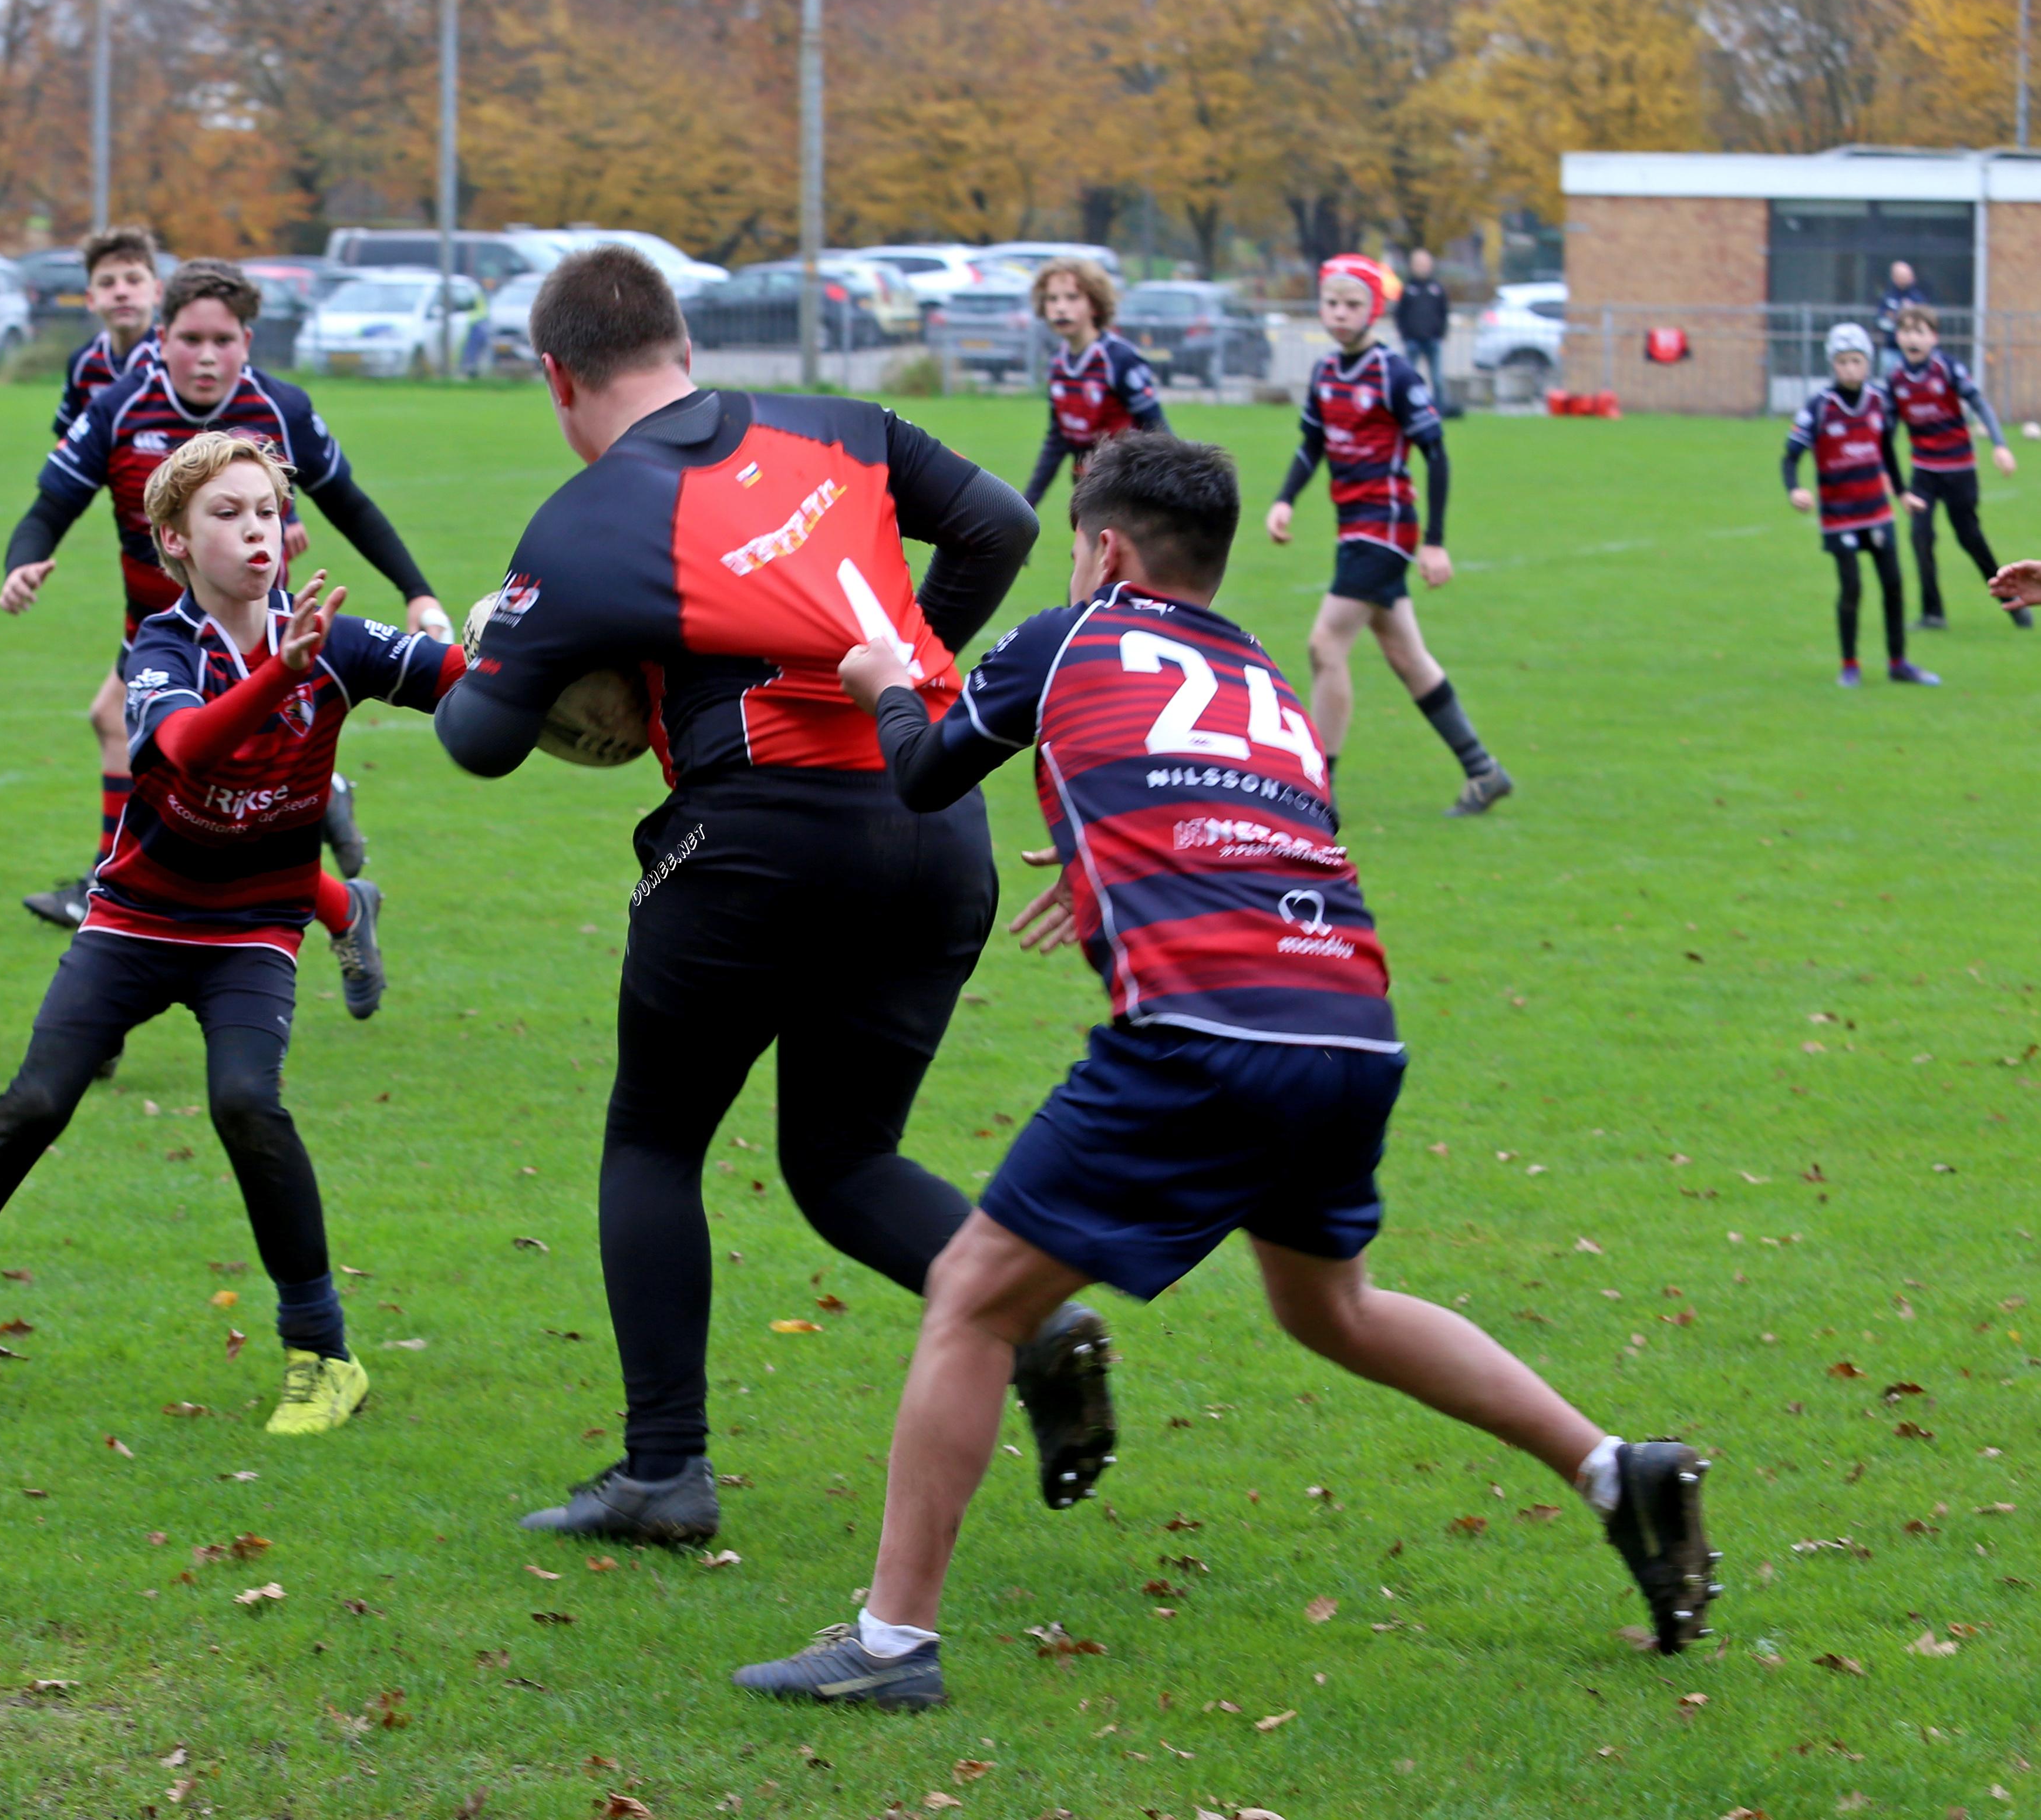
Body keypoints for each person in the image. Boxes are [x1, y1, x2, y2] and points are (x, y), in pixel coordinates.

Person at [730, 433, 1719, 1710]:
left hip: (1207, 1033)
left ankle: (887, 1649)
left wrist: (881, 677)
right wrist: (1100, 864)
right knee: (1331, 1306)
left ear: (1107, 549)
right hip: (1350, 1025)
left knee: (973, 1297)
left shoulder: (1069, 636)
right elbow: (1250, 819)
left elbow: (923, 775)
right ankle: (1613, 1469)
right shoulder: (1265, 673)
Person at [437, 245, 1118, 1542]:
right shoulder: (837, 422)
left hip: (756, 839)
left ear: (556, 379)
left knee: (655, 1137)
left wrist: (504, 654)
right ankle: (1035, 1317)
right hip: (932, 823)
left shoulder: (588, 518)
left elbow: (477, 736)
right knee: (842, 1155)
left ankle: (664, 1473)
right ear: (683, 347)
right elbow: (1005, 524)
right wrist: (900, 675)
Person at [0, 434, 466, 1433]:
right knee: (33, 1103)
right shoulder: (164, 645)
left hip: (249, 927)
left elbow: (469, 684)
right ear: (174, 539)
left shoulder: (332, 638)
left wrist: (548, 657)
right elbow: (182, 745)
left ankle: (324, 1353)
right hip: (137, 918)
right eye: (226, 515)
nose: (256, 532)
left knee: (247, 1101)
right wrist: (275, 679)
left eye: (266, 513)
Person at [3, 259, 449, 976]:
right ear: (161, 338)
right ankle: (335, 893)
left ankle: (102, 963)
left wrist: (416, 592)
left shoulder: (280, 409)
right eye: (189, 338)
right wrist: (23, 562)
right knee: (186, 799)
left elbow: (352, 505)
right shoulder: (121, 405)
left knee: (198, 812)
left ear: (247, 340)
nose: (206, 356)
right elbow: (52, 504)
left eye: (223, 339)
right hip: (156, 639)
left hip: (256, 650)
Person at [1267, 254, 1510, 815]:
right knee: (1405, 654)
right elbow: (1312, 446)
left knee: (1324, 644)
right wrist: (1284, 500)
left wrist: (1435, 539)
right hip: (1354, 529)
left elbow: (1436, 452)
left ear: (1374, 310)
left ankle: (1316, 795)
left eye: (1353, 304)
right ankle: (1483, 770)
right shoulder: (1327, 373)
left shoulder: (1394, 374)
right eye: (1332, 303)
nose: (1341, 313)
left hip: (1388, 526)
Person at [1786, 322, 1936, 687]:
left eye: (1856, 361)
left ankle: (1899, 663)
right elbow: (1790, 457)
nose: (1850, 368)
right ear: (1832, 365)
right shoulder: (1820, 408)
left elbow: (1886, 451)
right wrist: (1794, 489)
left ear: (1867, 363)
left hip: (1877, 512)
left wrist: (1901, 494)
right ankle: (1850, 664)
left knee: (1894, 585)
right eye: (1843, 362)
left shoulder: (1879, 402)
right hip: (1840, 518)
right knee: (1852, 587)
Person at [1884, 304, 2029, 632]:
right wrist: (1882, 471)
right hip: (1923, 472)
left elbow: (1979, 404)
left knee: (1970, 538)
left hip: (1960, 469)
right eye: (1906, 331)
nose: (1912, 338)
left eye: (1919, 332)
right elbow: (1887, 433)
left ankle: (2012, 601)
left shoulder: (1947, 369)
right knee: (1921, 537)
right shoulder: (1895, 380)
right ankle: (1933, 614)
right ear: (1898, 338)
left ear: (1933, 337)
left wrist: (2000, 446)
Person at [1020, 256, 1168, 515]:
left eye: (1072, 297)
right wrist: (1024, 508)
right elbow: (1058, 441)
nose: (1061, 308)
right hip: (1088, 491)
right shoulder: (1058, 365)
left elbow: (1158, 430)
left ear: (1096, 305)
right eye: (1052, 299)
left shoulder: (1118, 359)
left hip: (1128, 490)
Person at [51, 226, 163, 442]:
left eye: (134, 280)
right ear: (91, 298)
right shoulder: (83, 364)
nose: (121, 292)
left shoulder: (175, 360)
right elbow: (69, 442)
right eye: (107, 283)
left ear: (157, 292)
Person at [1392, 246, 1451, 416]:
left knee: (1438, 379)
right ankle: (1406, 409)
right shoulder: (1408, 289)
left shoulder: (1437, 289)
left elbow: (1444, 312)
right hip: (1413, 340)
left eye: (1425, 264)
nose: (1422, 267)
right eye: (1419, 264)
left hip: (1433, 339)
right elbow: (1399, 314)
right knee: (1408, 378)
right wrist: (1405, 334)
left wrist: (1441, 333)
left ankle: (1440, 411)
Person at [1872, 261, 1932, 344]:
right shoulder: (1888, 296)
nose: (1904, 278)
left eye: (1906, 276)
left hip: (1913, 344)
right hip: (1891, 344)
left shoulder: (1918, 298)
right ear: (1894, 277)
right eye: (1901, 276)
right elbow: (1880, 317)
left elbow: (1925, 318)